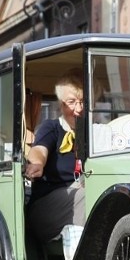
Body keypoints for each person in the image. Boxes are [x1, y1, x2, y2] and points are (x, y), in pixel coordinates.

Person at [25, 69, 86, 243]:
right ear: (61, 105)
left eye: (82, 102)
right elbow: (39, 150)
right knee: (91, 196)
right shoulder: (51, 128)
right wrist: (37, 163)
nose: (78, 109)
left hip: (80, 195)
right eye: (72, 102)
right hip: (46, 209)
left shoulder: (92, 132)